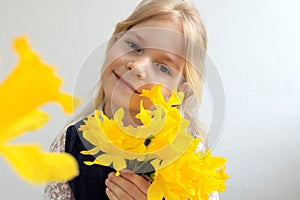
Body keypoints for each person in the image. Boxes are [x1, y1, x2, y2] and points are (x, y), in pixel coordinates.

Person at [44, 0, 219, 199]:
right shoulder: (67, 146)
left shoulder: (193, 159)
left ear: (178, 90)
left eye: (163, 67)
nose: (137, 67)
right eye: (134, 45)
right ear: (114, 42)